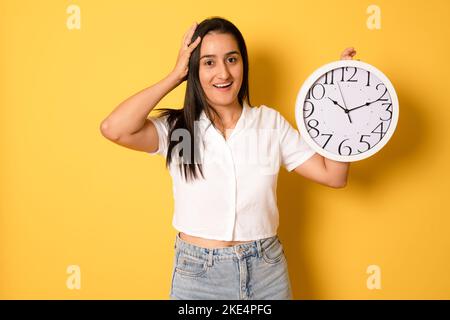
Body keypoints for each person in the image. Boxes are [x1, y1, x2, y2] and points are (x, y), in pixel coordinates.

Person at [100, 17, 354, 300]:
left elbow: (334, 175)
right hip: (197, 276)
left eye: (231, 59)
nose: (223, 73)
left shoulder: (269, 124)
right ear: (193, 69)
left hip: (266, 271)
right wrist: (174, 75)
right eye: (209, 62)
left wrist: (342, 97)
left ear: (243, 63)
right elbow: (114, 128)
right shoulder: (180, 130)